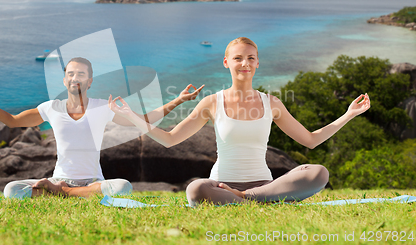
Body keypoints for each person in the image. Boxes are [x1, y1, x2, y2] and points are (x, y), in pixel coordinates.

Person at [108, 37, 371, 206]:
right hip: (221, 185)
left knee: (319, 172)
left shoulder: (273, 103)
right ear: (226, 63)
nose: (244, 63)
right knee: (196, 189)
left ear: (257, 64)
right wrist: (133, 117)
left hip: (265, 184)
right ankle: (254, 200)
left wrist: (348, 114)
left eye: (251, 58)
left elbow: (311, 140)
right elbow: (170, 139)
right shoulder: (212, 102)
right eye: (238, 58)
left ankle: (246, 199)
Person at [0, 57, 204, 199]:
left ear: (90, 81)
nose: (76, 78)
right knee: (11, 190)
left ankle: (61, 193)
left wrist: (179, 100)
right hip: (60, 177)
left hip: (94, 181)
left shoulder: (102, 107)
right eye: (71, 74)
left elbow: (145, 120)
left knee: (123, 187)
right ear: (65, 80)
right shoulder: (50, 108)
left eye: (81, 74)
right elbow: (12, 121)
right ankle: (64, 190)